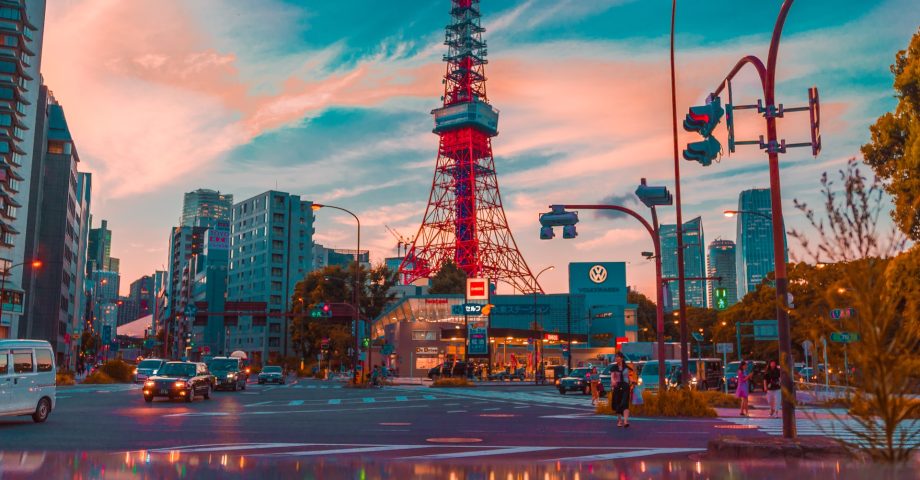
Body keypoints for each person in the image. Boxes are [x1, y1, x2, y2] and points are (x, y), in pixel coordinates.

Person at [610, 352, 633, 428]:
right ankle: (620, 421)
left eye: (618, 357)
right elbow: (612, 376)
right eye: (615, 357)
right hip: (617, 386)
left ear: (622, 358)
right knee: (618, 403)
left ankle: (626, 421)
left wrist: (633, 382)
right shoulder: (614, 367)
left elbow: (631, 376)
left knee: (625, 403)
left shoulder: (627, 368)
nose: (616, 358)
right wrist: (613, 381)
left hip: (626, 386)